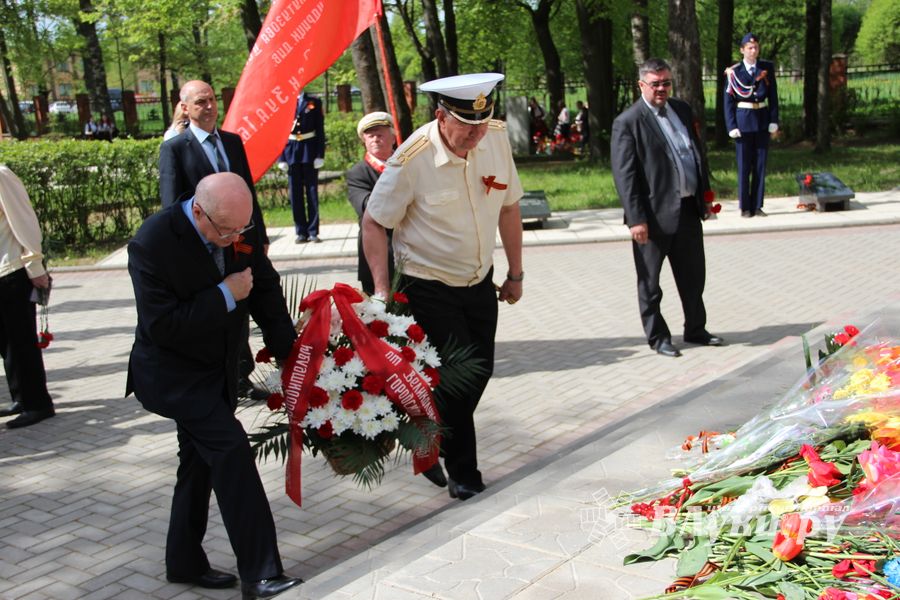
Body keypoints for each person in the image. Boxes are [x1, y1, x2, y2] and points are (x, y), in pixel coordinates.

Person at [126, 172, 303, 600]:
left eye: (243, 229)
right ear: (199, 212)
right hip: (173, 376)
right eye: (227, 231)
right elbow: (163, 326)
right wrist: (224, 293)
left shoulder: (237, 221)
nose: (236, 237)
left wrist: (290, 356)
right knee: (231, 453)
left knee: (198, 463)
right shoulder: (152, 243)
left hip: (217, 371)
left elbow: (264, 290)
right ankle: (261, 574)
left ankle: (183, 560)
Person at [362, 73, 524, 501]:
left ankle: (422, 430)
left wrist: (516, 273)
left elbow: (509, 207)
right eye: (466, 126)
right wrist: (381, 293)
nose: (476, 135)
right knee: (456, 381)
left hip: (478, 280)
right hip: (428, 285)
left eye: (481, 124)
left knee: (481, 370)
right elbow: (374, 222)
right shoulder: (411, 157)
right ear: (440, 116)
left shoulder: (494, 138)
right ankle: (465, 475)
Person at [158, 80, 269, 401]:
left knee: (242, 306)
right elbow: (171, 204)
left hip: (242, 243)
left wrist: (259, 235)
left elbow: (247, 191)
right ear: (186, 108)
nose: (208, 107)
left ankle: (241, 375)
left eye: (211, 100)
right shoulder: (176, 148)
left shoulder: (233, 142)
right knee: (217, 307)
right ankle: (218, 375)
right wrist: (183, 251)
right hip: (205, 248)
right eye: (200, 102)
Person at [611, 58, 723, 358]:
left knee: (693, 276)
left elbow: (696, 155)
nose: (662, 89)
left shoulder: (682, 110)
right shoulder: (629, 122)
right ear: (641, 85)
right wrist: (636, 219)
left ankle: (696, 329)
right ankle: (658, 338)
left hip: (687, 209)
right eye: (655, 83)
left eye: (666, 83)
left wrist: (705, 197)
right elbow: (626, 175)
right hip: (651, 217)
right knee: (650, 283)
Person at [0, 166, 55, 429]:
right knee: (6, 342)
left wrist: (34, 265)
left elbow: (23, 220)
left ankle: (38, 403)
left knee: (20, 341)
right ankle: (21, 396)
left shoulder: (1, 174)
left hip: (12, 270)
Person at [724, 32, 780, 218]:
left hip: (762, 120)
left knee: (760, 165)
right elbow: (728, 101)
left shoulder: (766, 68)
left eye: (756, 47)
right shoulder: (735, 72)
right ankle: (745, 206)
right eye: (749, 48)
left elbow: (773, 96)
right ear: (742, 50)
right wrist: (731, 125)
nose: (753, 50)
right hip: (743, 121)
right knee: (744, 166)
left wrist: (773, 120)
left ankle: (757, 205)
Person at [345, 111, 397, 295]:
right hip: (378, 260)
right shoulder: (358, 173)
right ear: (364, 141)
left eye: (380, 134)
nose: (375, 139)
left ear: (393, 137)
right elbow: (370, 207)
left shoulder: (408, 164)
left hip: (415, 256)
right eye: (370, 135)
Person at [280, 90, 325, 244]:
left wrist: (320, 154)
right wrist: (281, 157)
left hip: (309, 150)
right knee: (295, 193)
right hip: (291, 149)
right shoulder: (284, 101)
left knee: (312, 192)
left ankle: (313, 231)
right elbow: (279, 132)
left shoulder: (314, 101)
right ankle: (300, 232)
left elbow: (320, 129)